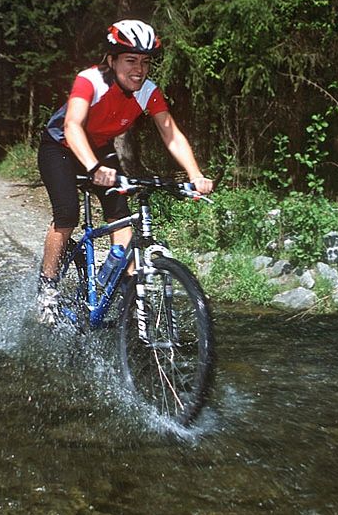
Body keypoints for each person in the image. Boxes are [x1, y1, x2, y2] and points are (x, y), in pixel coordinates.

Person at [36, 19, 213, 323]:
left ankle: (129, 297)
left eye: (145, 62)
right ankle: (47, 290)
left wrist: (195, 175)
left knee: (122, 218)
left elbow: (171, 133)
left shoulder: (148, 92)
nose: (139, 69)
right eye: (130, 60)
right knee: (67, 215)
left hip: (100, 147)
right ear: (111, 60)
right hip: (61, 147)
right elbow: (72, 126)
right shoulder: (89, 80)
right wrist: (93, 168)